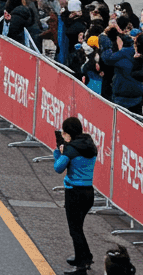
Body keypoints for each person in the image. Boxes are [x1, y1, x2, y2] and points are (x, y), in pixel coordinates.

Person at [54, 116, 98, 275]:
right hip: (88, 192)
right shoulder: (90, 145)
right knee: (78, 228)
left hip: (74, 192)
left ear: (68, 133)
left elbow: (58, 168)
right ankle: (83, 256)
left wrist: (58, 152)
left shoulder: (71, 150)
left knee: (75, 230)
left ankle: (82, 265)